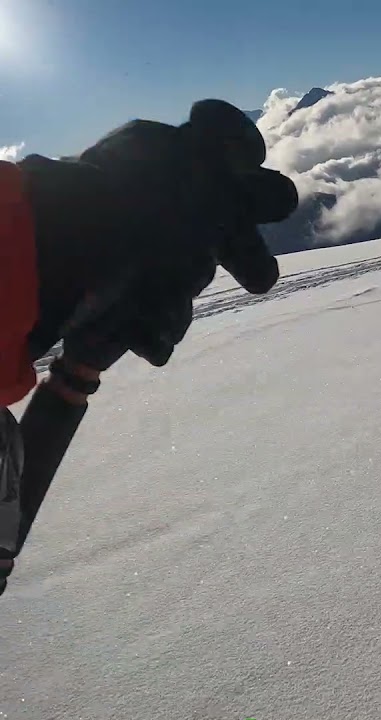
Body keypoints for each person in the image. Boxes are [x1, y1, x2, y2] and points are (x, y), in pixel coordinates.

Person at [0, 99, 298, 596]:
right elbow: (262, 276)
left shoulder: (138, 136)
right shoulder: (209, 227)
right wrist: (77, 377)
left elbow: (98, 174)